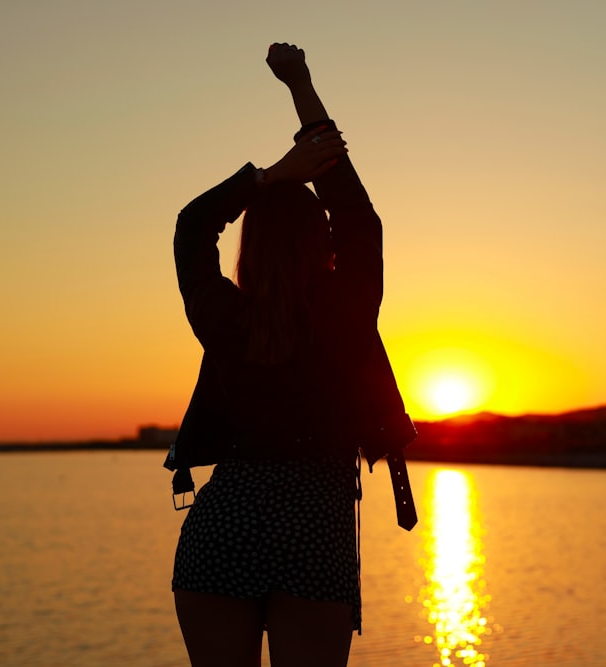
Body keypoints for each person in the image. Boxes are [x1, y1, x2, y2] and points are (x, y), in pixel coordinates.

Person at [166, 43, 416, 667]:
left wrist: (271, 176)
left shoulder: (226, 318)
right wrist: (301, 86)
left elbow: (192, 226)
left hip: (221, 530)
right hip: (314, 531)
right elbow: (359, 215)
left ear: (250, 247)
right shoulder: (346, 310)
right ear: (321, 242)